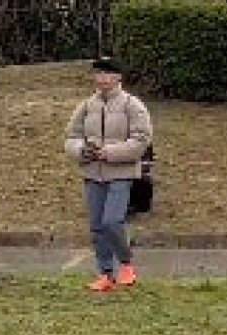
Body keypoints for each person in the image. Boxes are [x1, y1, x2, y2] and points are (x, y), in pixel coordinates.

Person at [64, 57, 154, 292]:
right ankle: (105, 273)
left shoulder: (132, 105)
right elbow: (71, 137)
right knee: (96, 225)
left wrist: (109, 153)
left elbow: (141, 140)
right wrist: (82, 150)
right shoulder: (86, 106)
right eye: (98, 73)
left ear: (118, 78)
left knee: (112, 221)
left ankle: (126, 264)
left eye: (106, 73)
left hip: (121, 172)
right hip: (93, 173)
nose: (101, 78)